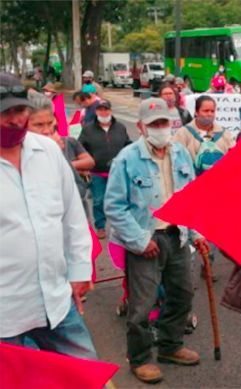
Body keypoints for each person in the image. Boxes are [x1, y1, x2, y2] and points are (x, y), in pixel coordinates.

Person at [0, 72, 98, 361]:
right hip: (6, 312)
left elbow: (73, 217)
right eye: (5, 113)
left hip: (56, 300)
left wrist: (80, 271)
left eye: (20, 110)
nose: (15, 120)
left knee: (86, 374)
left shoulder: (48, 152)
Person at [104, 98, 203, 384]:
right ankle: (140, 358)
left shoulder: (181, 153)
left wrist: (197, 235)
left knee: (182, 294)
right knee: (142, 305)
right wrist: (139, 240)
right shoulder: (127, 158)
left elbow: (191, 200)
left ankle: (171, 346)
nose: (161, 128)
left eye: (164, 122)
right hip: (145, 239)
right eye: (154, 124)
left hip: (177, 235)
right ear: (141, 127)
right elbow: (114, 207)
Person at [27, 93, 94, 207]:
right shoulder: (16, 155)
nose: (46, 131)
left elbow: (76, 190)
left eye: (49, 123)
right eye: (39, 125)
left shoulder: (66, 142)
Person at [78, 99, 131, 239]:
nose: (103, 112)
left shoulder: (120, 127)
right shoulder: (88, 129)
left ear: (110, 111)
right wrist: (84, 166)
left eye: (106, 109)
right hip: (97, 173)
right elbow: (80, 148)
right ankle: (100, 226)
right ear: (96, 112)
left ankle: (120, 227)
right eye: (100, 109)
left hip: (117, 172)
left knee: (120, 200)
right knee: (98, 200)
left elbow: (127, 145)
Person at [172, 95, 235, 173]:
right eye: (206, 111)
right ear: (196, 112)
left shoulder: (225, 134)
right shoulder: (183, 133)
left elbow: (234, 158)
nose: (209, 114)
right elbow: (176, 159)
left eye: (212, 111)